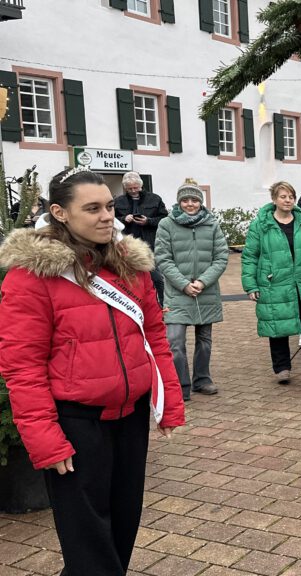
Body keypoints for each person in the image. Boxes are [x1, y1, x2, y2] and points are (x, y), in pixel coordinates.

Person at [0, 167, 185, 575]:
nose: (107, 216)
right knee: (89, 543)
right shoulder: (31, 278)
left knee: (121, 530)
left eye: (109, 206)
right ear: (59, 213)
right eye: (93, 208)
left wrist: (167, 400)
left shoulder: (129, 266)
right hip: (75, 423)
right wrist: (46, 439)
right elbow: (22, 366)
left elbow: (155, 339)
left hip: (131, 417)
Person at [241, 181, 301, 384]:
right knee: (277, 324)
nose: (288, 200)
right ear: (274, 199)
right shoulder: (261, 225)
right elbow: (250, 256)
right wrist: (251, 285)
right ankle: (282, 368)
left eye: (291, 196)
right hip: (274, 282)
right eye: (283, 196)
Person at [154, 178, 229, 400]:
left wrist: (203, 282)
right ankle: (180, 385)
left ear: (200, 202)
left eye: (194, 200)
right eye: (185, 200)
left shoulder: (212, 224)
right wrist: (184, 284)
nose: (190, 204)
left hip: (205, 291)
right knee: (175, 341)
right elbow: (163, 259)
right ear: (179, 202)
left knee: (204, 341)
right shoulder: (166, 225)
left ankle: (202, 380)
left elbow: (221, 257)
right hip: (177, 292)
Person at [114, 171, 168, 306]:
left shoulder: (154, 199)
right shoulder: (118, 201)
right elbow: (111, 220)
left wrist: (148, 221)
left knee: (157, 278)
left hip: (150, 244)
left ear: (141, 185)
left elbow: (164, 218)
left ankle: (163, 304)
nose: (133, 191)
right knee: (130, 278)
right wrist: (123, 219)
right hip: (127, 245)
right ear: (125, 188)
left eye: (136, 188)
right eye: (130, 189)